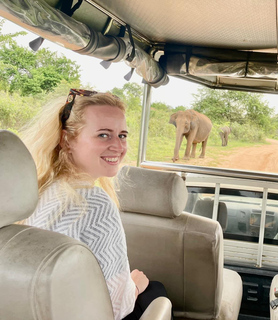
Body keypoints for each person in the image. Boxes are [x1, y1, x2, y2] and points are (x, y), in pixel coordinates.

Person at [21, 89, 169, 320]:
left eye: (122, 135)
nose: (118, 147)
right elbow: (117, 307)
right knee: (156, 289)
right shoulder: (93, 203)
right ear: (67, 140)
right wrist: (135, 285)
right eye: (103, 135)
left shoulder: (42, 191)